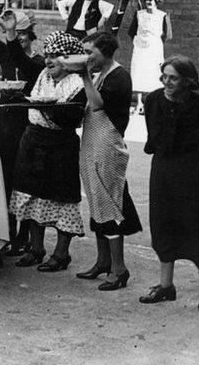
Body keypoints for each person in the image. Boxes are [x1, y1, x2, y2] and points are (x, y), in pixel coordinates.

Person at [10, 32, 88, 272]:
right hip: (33, 140)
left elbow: (72, 118)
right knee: (32, 194)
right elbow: (19, 59)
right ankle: (36, 248)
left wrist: (46, 107)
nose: (49, 61)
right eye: (48, 55)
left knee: (62, 197)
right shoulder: (42, 75)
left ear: (69, 60)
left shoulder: (78, 84)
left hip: (60, 144)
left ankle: (61, 254)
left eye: (56, 56)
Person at [138, 56, 199, 315]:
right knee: (163, 225)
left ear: (188, 81)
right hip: (164, 171)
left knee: (197, 229)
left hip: (194, 174)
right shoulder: (153, 100)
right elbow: (154, 138)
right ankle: (166, 286)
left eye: (173, 78)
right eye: (164, 76)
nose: (167, 82)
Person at [75, 32, 142, 291]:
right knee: (96, 202)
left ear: (105, 51)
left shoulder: (119, 76)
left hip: (108, 147)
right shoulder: (101, 74)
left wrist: (83, 75)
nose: (87, 57)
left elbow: (97, 105)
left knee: (109, 206)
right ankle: (103, 261)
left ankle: (119, 268)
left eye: (90, 52)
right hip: (92, 143)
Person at [0, 7, 44, 254]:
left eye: (22, 34)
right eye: (14, 33)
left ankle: (25, 235)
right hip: (5, 121)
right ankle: (8, 233)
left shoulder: (38, 61)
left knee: (26, 179)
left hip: (27, 122)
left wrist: (9, 32)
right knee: (4, 177)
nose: (18, 37)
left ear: (31, 37)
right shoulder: (7, 55)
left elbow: (23, 62)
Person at [129, 0, 171, 114]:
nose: (148, 2)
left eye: (150, 0)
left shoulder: (162, 15)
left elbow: (167, 34)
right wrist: (139, 42)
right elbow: (132, 32)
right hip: (140, 48)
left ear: (156, 2)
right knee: (139, 73)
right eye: (146, 0)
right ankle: (139, 103)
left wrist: (155, 42)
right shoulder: (139, 14)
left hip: (154, 49)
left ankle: (152, 105)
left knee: (153, 74)